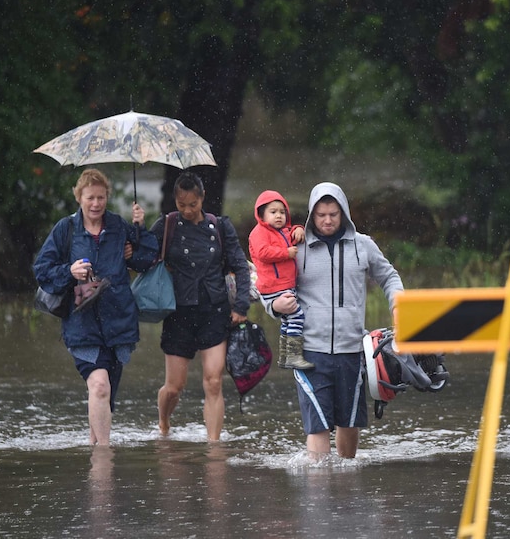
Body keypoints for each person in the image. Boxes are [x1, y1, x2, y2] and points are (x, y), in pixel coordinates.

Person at [269, 182, 404, 459]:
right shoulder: (295, 249)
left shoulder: (363, 245)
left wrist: (398, 304)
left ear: (343, 213)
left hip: (353, 350)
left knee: (349, 422)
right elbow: (268, 286)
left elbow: (389, 276)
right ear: (311, 216)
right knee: (317, 426)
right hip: (307, 351)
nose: (327, 220)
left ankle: (344, 489)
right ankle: (318, 494)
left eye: (333, 214)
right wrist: (273, 305)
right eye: (321, 215)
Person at [34, 168, 159, 446]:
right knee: (99, 385)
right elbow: (42, 270)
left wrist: (140, 227)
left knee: (106, 393)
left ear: (107, 198)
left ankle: (96, 459)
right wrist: (70, 271)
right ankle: (104, 457)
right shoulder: (65, 229)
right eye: (90, 197)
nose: (96, 204)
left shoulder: (118, 226)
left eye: (101, 197)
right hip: (81, 323)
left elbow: (148, 258)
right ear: (79, 197)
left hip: (119, 322)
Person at [150, 171, 251, 441]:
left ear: (202, 198)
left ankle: (214, 445)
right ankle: (163, 422)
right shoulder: (167, 225)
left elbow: (240, 265)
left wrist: (241, 305)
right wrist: (136, 234)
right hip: (178, 314)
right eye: (181, 205)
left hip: (214, 312)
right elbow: (143, 258)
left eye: (192, 205)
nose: (187, 210)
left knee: (214, 381)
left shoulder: (220, 226)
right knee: (174, 387)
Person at [248, 190, 312, 370]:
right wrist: (286, 253)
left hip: (285, 285)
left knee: (288, 320)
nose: (279, 216)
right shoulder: (258, 232)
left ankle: (285, 356)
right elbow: (263, 252)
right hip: (274, 286)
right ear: (261, 214)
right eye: (273, 212)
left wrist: (298, 228)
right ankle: (292, 355)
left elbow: (290, 232)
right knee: (297, 317)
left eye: (282, 212)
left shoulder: (282, 231)